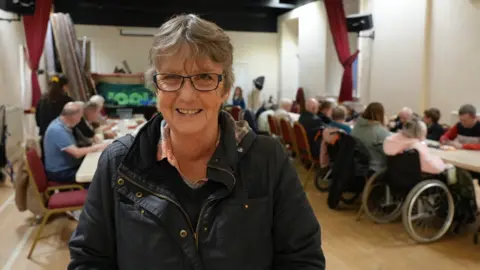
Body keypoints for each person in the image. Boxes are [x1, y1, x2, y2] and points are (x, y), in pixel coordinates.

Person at [68, 14, 325, 269]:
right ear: (156, 88)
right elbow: (89, 260)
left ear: (225, 90)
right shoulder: (118, 163)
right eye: (171, 77)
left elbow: (302, 259)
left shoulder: (268, 159)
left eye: (204, 77)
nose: (187, 95)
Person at [43, 102, 107, 183]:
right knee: (101, 177)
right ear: (73, 116)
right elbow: (77, 153)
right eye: (80, 117)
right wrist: (97, 147)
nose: (80, 120)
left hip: (70, 166)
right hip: (61, 172)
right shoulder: (57, 130)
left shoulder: (62, 124)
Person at [35, 74, 73, 158]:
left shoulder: (41, 99)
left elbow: (38, 122)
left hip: (45, 141)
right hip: (62, 142)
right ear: (64, 86)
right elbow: (75, 122)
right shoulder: (67, 101)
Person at [351, 102, 390, 173]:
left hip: (357, 164)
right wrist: (385, 126)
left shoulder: (356, 127)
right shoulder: (380, 131)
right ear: (381, 114)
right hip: (377, 166)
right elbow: (388, 151)